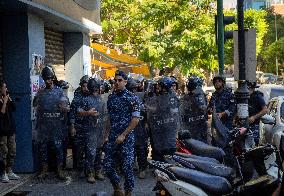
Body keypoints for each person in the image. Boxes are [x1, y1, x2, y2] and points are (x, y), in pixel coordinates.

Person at [104, 70, 142, 196]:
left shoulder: (132, 98)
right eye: (115, 80)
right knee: (107, 165)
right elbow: (110, 118)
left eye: (120, 80)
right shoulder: (111, 98)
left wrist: (123, 135)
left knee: (126, 167)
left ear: (125, 82)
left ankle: (128, 192)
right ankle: (117, 188)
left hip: (126, 137)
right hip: (113, 136)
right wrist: (106, 135)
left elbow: (135, 119)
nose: (117, 82)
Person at [33, 66, 70, 180]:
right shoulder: (40, 92)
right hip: (44, 126)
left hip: (56, 125)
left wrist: (64, 108)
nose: (48, 81)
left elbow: (67, 108)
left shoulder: (59, 92)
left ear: (53, 78)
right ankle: (44, 169)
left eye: (50, 78)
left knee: (58, 147)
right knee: (43, 148)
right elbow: (35, 105)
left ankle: (59, 169)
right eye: (46, 79)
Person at [77, 78, 105, 183]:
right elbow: (78, 111)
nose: (97, 89)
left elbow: (106, 115)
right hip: (90, 130)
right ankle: (90, 173)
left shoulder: (102, 99)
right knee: (91, 153)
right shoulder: (85, 100)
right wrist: (88, 113)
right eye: (95, 87)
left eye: (97, 87)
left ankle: (98, 171)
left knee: (99, 151)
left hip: (100, 129)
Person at [145, 76, 179, 161]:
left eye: (159, 86)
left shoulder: (172, 98)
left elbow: (173, 113)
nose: (157, 88)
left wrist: (147, 107)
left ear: (164, 87)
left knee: (169, 154)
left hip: (168, 131)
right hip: (158, 130)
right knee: (157, 153)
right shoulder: (158, 97)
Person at [0, 81, 20, 183]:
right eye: (4, 87)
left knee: (12, 151)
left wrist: (8, 98)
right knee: (4, 152)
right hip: (2, 131)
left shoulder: (7, 98)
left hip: (10, 129)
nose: (6, 89)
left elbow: (14, 108)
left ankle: (9, 170)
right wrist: (4, 102)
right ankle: (3, 173)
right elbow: (2, 113)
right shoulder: (2, 101)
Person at [69, 75, 89, 174]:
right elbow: (72, 113)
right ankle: (78, 168)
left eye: (87, 86)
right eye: (84, 86)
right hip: (79, 126)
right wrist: (72, 127)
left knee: (89, 149)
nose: (86, 88)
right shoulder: (76, 99)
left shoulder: (93, 97)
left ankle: (90, 169)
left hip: (90, 127)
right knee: (78, 148)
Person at [180, 76, 208, 143]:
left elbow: (203, 108)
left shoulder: (200, 95)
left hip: (200, 125)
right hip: (189, 125)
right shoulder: (185, 96)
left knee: (202, 144)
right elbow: (182, 109)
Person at [247, 81, 268, 146]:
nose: (248, 90)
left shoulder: (257, 96)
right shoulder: (244, 96)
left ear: (253, 88)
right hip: (243, 125)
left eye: (249, 88)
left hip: (254, 125)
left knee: (253, 145)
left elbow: (265, 110)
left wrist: (254, 117)